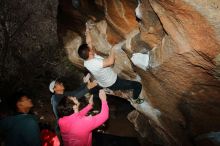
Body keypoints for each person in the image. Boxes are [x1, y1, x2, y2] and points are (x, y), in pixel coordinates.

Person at [78, 43, 144, 104]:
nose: (91, 47)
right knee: (138, 85)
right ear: (90, 53)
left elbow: (89, 42)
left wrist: (88, 32)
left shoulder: (86, 61)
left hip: (106, 81)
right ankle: (135, 99)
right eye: (90, 48)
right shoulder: (95, 63)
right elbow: (110, 62)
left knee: (124, 84)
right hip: (113, 82)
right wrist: (113, 49)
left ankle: (120, 89)